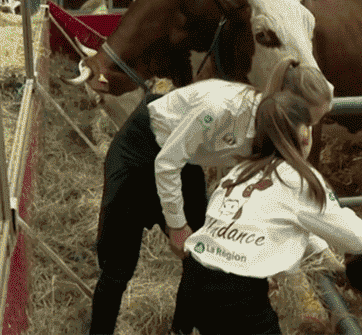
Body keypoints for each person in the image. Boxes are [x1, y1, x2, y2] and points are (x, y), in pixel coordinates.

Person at [89, 60, 332, 334]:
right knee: (119, 266)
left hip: (184, 160)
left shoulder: (271, 129)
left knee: (201, 254)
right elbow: (166, 163)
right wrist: (177, 225)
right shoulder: (221, 109)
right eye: (307, 122)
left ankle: (180, 329)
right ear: (288, 104)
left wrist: (320, 246)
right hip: (141, 153)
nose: (307, 134)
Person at [170, 61, 362, 334]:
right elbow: (359, 239)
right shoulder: (300, 180)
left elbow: (279, 223)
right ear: (304, 134)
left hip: (192, 277)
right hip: (235, 296)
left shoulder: (239, 170)